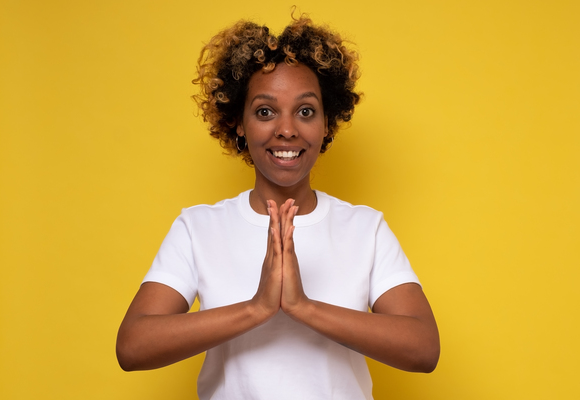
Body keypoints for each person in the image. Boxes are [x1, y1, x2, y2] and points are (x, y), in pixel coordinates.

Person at [116, 14, 439, 400]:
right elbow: (132, 346)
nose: (287, 129)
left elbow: (423, 348)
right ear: (239, 122)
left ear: (326, 124)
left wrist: (303, 306)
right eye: (266, 111)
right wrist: (257, 308)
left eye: (305, 111)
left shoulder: (365, 228)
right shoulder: (198, 227)